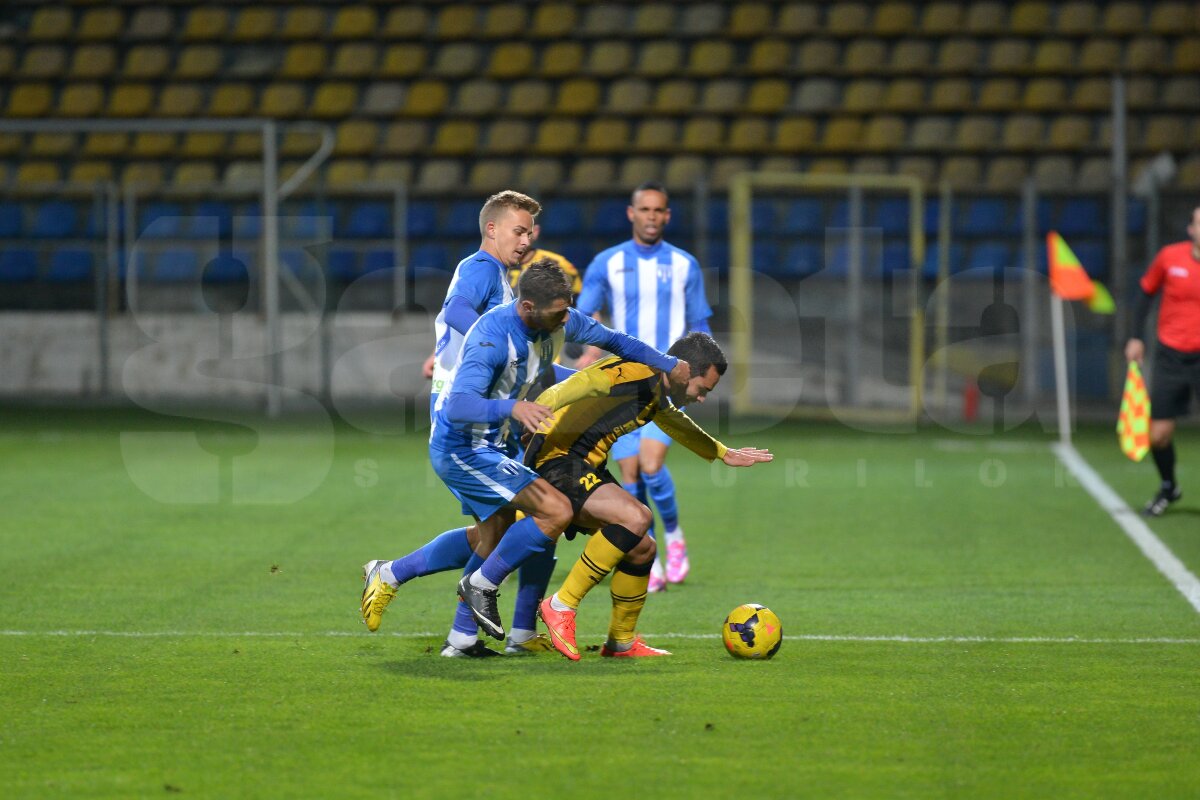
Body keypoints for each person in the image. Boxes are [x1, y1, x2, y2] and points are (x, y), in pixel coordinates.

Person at [363, 260, 688, 657]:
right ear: (529, 307)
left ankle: (445, 618)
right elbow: (458, 407)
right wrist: (513, 410)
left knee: (500, 534)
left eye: (568, 307)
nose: (567, 317)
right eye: (559, 310)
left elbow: (616, 341)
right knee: (553, 512)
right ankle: (483, 589)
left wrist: (668, 364)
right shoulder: (492, 338)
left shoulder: (559, 320)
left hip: (501, 443)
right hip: (465, 448)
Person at [526, 332, 773, 660]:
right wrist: (535, 411)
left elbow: (672, 421)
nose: (702, 398)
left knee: (643, 550)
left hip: (581, 464)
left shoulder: (655, 390)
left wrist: (721, 452)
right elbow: (584, 381)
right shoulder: (637, 372)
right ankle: (561, 605)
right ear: (683, 372)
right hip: (556, 458)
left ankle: (621, 643)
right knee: (637, 516)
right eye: (703, 389)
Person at [405, 189, 559, 655]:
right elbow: (453, 312)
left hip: (484, 422)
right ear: (491, 228)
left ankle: (464, 636)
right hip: (466, 424)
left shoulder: (496, 275)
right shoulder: (481, 268)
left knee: (495, 529)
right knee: (534, 515)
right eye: (518, 230)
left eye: (530, 232)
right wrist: (489, 345)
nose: (526, 239)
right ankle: (499, 629)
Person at [575, 181, 714, 591]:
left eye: (659, 210)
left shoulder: (685, 265)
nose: (652, 216)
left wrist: (702, 369)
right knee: (630, 474)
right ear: (631, 214)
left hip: (669, 383)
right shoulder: (607, 262)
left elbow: (700, 322)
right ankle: (644, 550)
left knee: (652, 467)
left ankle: (674, 539)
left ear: (667, 216)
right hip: (623, 383)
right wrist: (589, 351)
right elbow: (584, 314)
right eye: (645, 209)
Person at [1124, 204, 1200, 517]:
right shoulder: (1170, 257)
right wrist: (1136, 337)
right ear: (1191, 229)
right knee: (1158, 435)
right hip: (1171, 356)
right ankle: (1169, 486)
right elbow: (1144, 294)